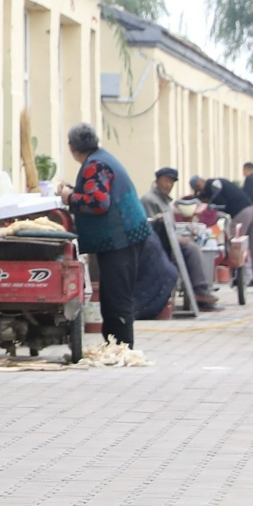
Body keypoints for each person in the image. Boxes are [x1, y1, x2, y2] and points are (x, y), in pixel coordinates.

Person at [60, 124, 150, 346]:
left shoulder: (95, 165)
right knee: (114, 293)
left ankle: (121, 347)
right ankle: (116, 344)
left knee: (116, 295)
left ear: (72, 148)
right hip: (125, 236)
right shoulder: (100, 159)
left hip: (121, 239)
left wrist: (70, 197)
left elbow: (99, 202)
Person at [142, 168, 218, 310]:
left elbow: (171, 226)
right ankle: (199, 290)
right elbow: (156, 228)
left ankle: (201, 292)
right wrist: (178, 238)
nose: (168, 185)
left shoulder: (165, 201)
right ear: (157, 181)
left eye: (171, 182)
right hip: (159, 246)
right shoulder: (150, 200)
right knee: (191, 249)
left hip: (168, 242)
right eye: (165, 181)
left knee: (195, 244)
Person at [190, 172, 253, 287]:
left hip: (241, 212)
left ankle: (237, 276)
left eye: (198, 189)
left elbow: (218, 203)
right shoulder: (219, 182)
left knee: (234, 245)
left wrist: (209, 207)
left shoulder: (212, 184)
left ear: (200, 184)